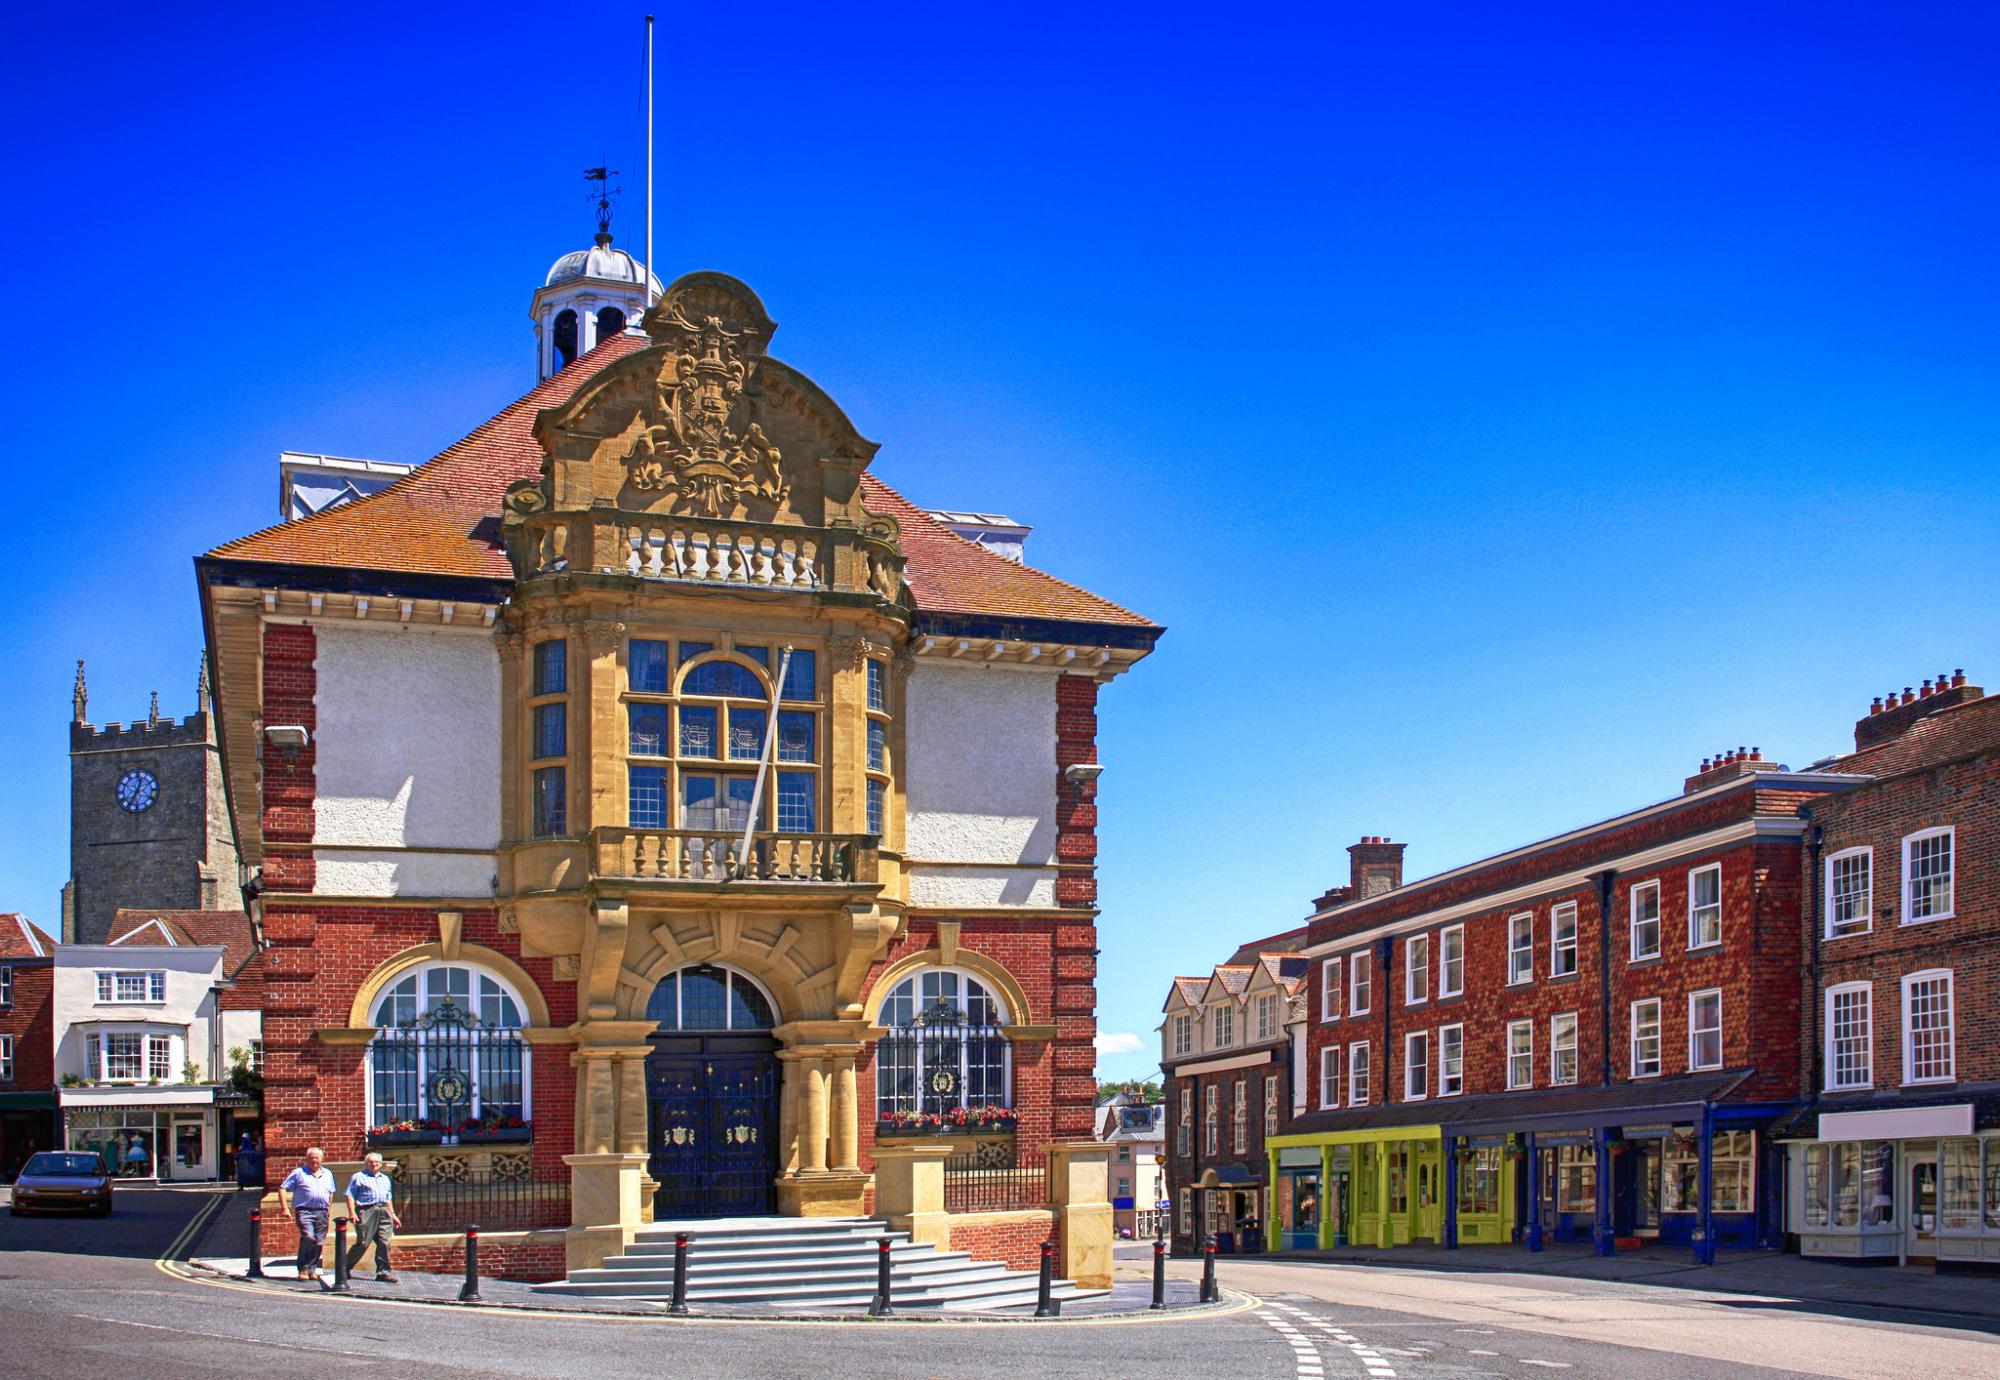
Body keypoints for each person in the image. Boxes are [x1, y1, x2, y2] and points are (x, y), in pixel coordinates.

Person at [278, 1147, 335, 1284]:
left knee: (319, 1241)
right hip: (304, 1211)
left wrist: (328, 1208)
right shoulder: (298, 1173)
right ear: (306, 1159)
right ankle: (302, 1268)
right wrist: (285, 1208)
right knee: (308, 1236)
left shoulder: (327, 1173)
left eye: (317, 1157)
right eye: (311, 1157)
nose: (314, 1160)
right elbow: (282, 1188)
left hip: (322, 1212)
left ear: (322, 1159)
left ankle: (312, 1269)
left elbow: (331, 1192)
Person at [344, 1152, 401, 1283]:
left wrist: (393, 1215)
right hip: (366, 1211)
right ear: (366, 1163)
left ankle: (383, 1272)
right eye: (371, 1162)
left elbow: (388, 1199)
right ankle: (344, 1267)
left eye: (376, 1162)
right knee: (363, 1242)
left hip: (384, 1211)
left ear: (380, 1164)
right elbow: (350, 1195)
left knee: (385, 1242)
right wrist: (352, 1213)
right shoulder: (358, 1177)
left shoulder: (385, 1179)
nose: (374, 1164)